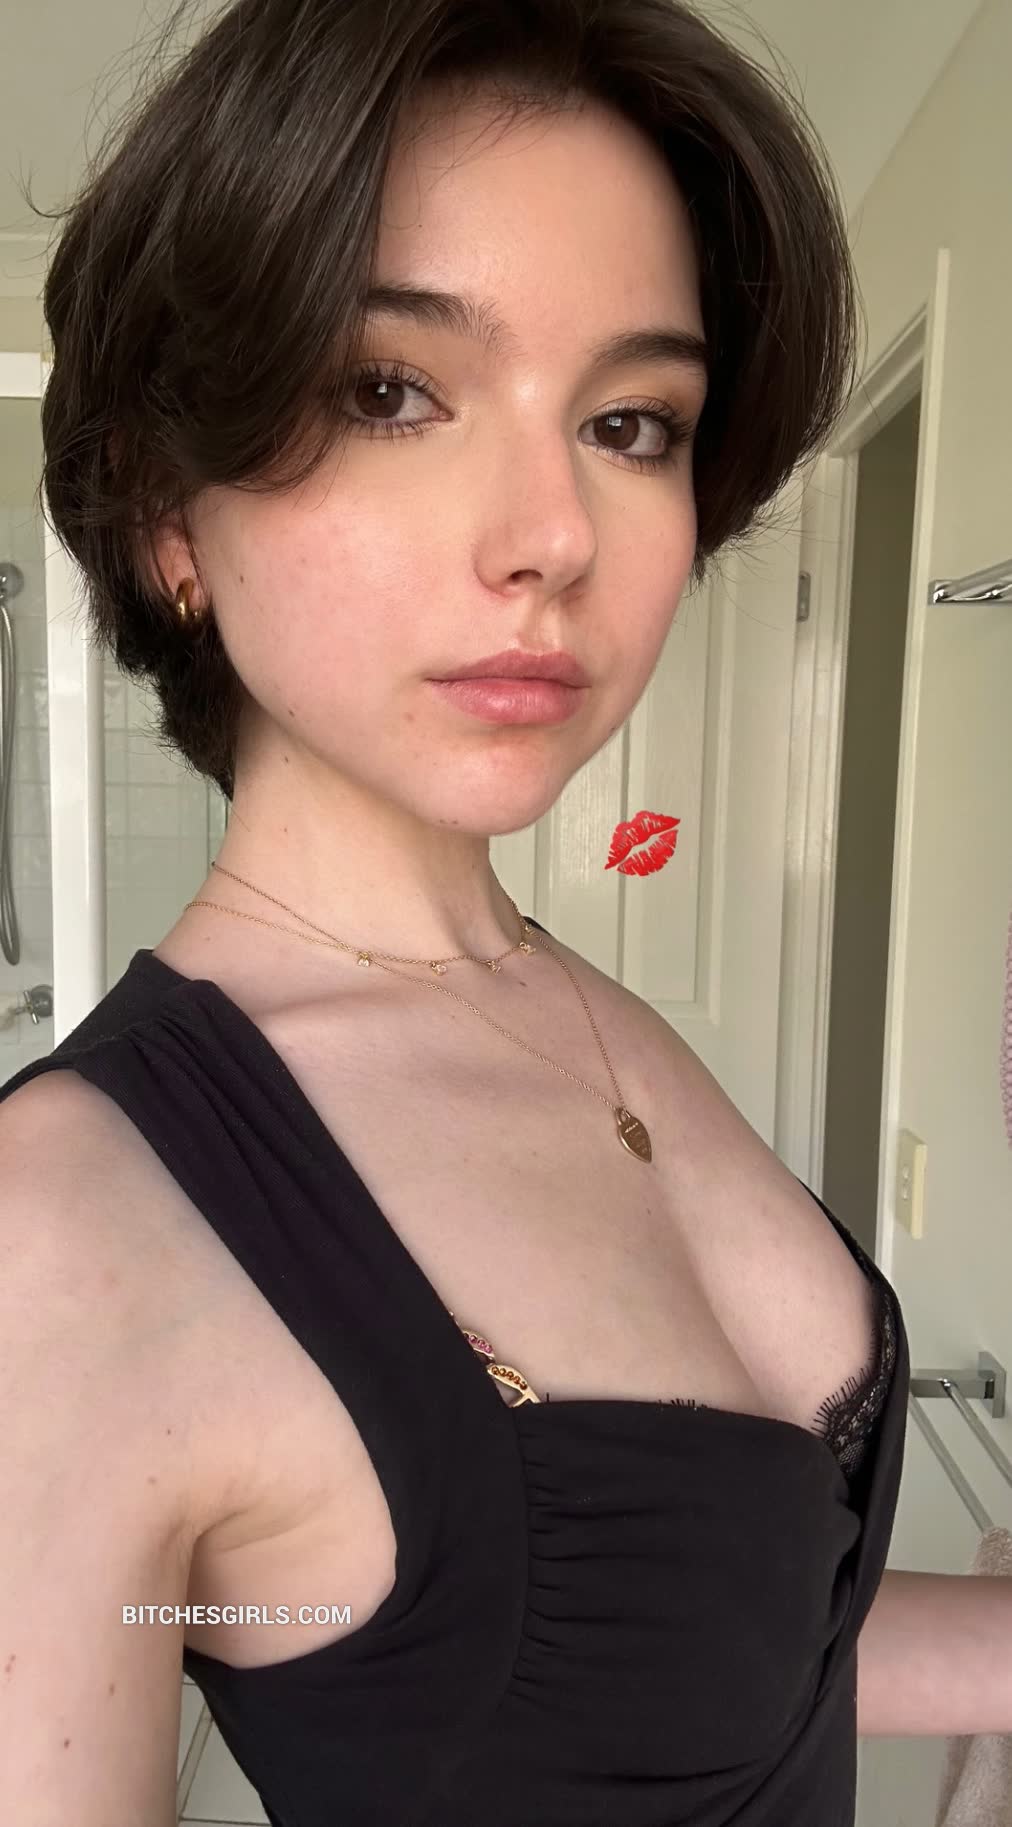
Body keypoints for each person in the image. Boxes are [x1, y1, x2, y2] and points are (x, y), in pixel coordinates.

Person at [0, 0, 910, 1821]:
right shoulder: (65, 1237)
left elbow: (748, 1654)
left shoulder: (565, 1003)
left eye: (632, 422)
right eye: (390, 392)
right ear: (172, 514)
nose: (555, 533)